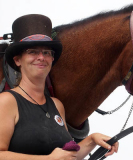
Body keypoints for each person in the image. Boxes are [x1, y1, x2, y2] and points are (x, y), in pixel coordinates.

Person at [0, 14, 118, 160]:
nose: (41, 57)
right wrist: (48, 159)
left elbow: (67, 156)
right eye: (32, 52)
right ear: (18, 60)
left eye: (46, 52)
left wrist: (92, 140)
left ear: (52, 59)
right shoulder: (6, 101)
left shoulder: (57, 105)